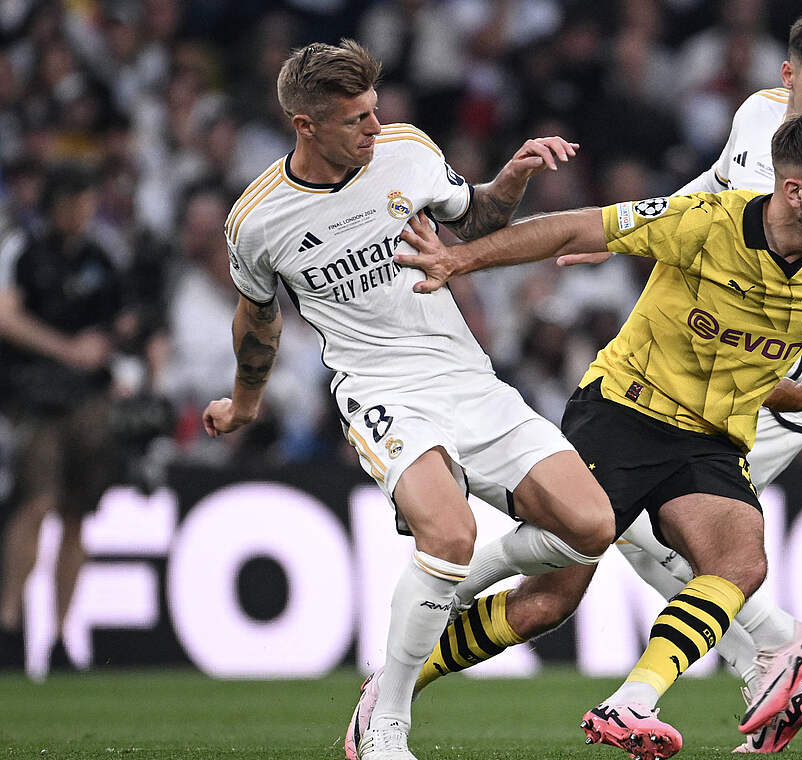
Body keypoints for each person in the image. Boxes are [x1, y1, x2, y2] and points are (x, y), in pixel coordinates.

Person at [400, 12, 802, 753]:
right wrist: (623, 232)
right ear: (787, 80)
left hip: (744, 408)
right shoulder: (743, 155)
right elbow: (686, 198)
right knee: (566, 574)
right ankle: (406, 663)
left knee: (716, 554)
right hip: (635, 403)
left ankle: (710, 675)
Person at [200, 40, 615, 760]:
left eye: (375, 110)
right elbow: (257, 319)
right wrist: (244, 403)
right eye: (356, 118)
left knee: (591, 526)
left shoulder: (408, 150)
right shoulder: (257, 221)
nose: (374, 127)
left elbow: (478, 220)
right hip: (381, 391)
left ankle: (438, 601)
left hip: (468, 378)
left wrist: (512, 175)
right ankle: (385, 723)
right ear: (304, 125)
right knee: (448, 535)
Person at [0, 166, 122, 672]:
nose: (83, 212)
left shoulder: (100, 256)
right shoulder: (23, 250)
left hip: (88, 402)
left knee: (77, 514)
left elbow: (121, 320)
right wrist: (66, 349)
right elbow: (6, 317)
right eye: (75, 202)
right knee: (36, 504)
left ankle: (59, 636)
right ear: (55, 206)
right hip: (36, 398)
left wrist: (106, 348)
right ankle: (8, 624)